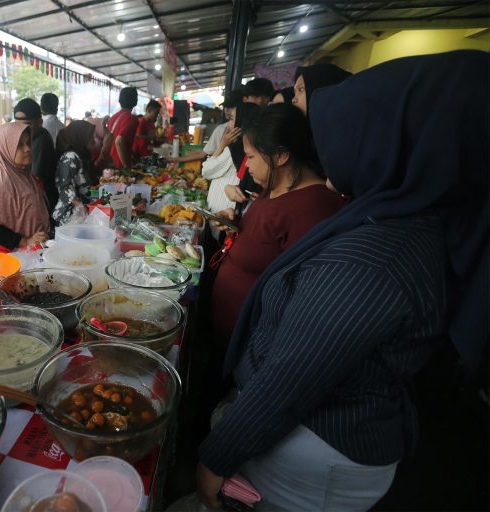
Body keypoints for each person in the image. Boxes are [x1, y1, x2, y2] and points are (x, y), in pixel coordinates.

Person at [197, 51, 488, 511]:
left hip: (318, 452)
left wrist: (216, 458)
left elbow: (293, 373)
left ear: (391, 141)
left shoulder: (378, 256)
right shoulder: (402, 219)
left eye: (346, 131)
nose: (330, 147)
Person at [210, 103, 343, 352]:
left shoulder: (314, 208)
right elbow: (265, 239)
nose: (247, 166)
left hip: (254, 344)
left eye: (250, 157)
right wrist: (236, 224)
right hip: (228, 329)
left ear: (280, 156)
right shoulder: (273, 188)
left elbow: (301, 296)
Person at [0, 122, 50, 253]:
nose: (27, 149)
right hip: (11, 257)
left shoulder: (25, 175)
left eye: (28, 143)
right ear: (5, 148)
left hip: (33, 251)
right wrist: (24, 241)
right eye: (20, 145)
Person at [201, 102, 260, 214]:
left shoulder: (234, 148)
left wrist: (222, 144)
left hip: (224, 211)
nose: (228, 124)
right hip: (233, 208)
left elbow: (206, 171)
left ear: (241, 122)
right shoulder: (254, 146)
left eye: (232, 119)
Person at [169, 93, 239, 167]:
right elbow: (203, 154)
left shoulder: (246, 132)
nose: (227, 110)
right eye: (226, 106)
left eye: (231, 106)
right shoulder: (221, 129)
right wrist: (175, 159)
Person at [14, 98, 58, 213]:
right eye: (17, 126)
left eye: (27, 125)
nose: (22, 131)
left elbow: (35, 180)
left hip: (41, 203)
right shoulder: (30, 140)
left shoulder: (41, 141)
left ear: (40, 123)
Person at [53, 120, 96, 225]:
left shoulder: (82, 155)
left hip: (82, 212)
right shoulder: (70, 157)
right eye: (91, 137)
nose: (94, 141)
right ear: (80, 137)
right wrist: (82, 210)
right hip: (70, 217)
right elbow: (65, 188)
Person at [107, 86, 140, 168]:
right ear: (135, 101)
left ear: (120, 101)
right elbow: (119, 141)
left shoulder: (113, 117)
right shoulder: (132, 118)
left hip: (111, 162)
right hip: (121, 165)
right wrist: (127, 166)